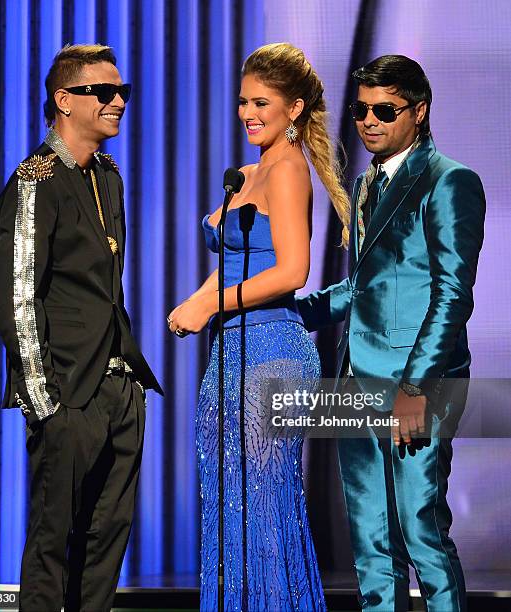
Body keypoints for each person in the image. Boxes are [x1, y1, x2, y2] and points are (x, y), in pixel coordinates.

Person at [297, 55, 486, 611]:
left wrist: (417, 387)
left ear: (419, 111)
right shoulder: (364, 184)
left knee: (421, 533)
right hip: (356, 379)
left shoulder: (450, 182)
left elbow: (453, 295)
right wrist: (292, 312)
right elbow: (362, 287)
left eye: (384, 109)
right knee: (370, 542)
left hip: (417, 384)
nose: (369, 121)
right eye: (360, 109)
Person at [168, 43, 350, 611]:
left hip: (273, 351)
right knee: (229, 512)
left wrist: (212, 304)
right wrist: (195, 301)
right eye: (243, 101)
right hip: (230, 355)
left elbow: (293, 270)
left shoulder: (290, 169)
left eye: (261, 102)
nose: (248, 113)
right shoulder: (247, 173)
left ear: (294, 109)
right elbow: (233, 260)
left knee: (263, 515)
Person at [0, 44, 162, 611]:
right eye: (104, 93)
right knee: (51, 544)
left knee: (107, 542)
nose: (118, 102)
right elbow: (18, 296)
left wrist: (130, 386)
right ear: (65, 101)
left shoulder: (109, 176)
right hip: (66, 394)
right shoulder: (36, 180)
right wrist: (45, 403)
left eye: (123, 93)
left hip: (118, 388)